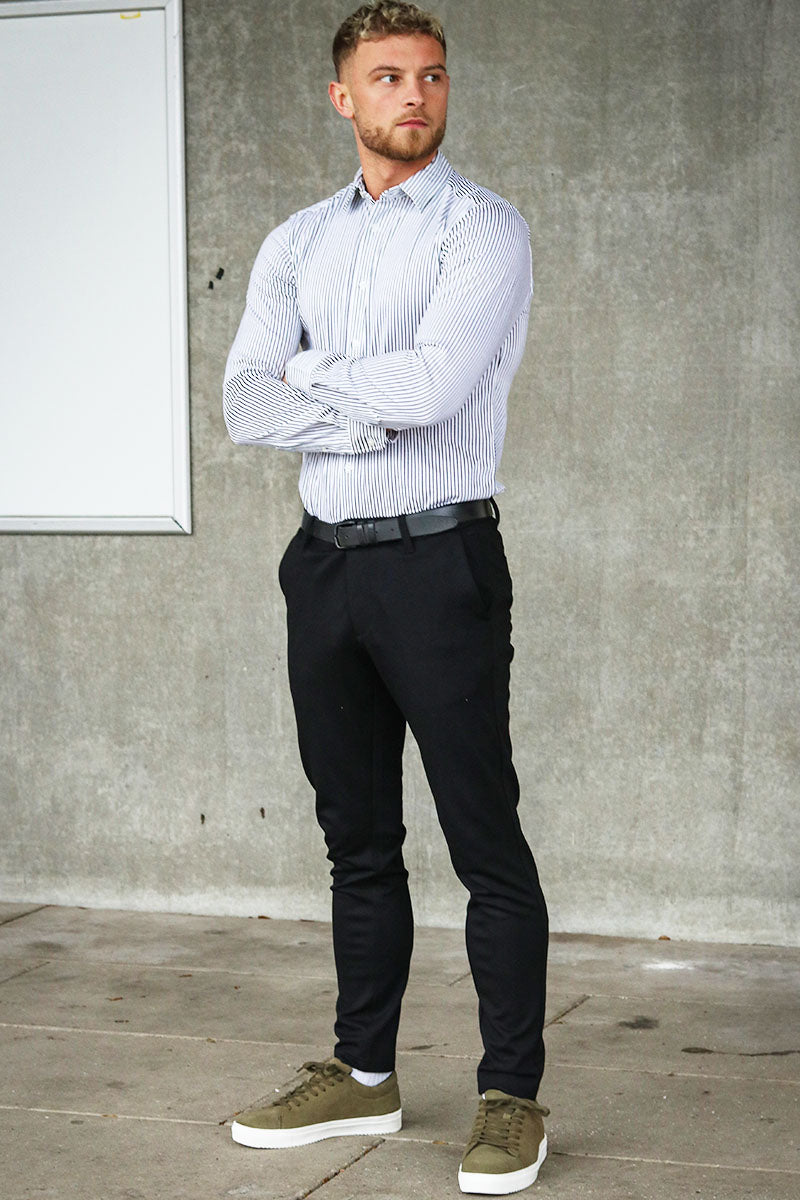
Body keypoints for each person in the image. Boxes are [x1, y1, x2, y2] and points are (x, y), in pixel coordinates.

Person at [222, 2, 549, 1193]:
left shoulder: (482, 229)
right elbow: (244, 402)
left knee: (482, 840)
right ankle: (363, 1072)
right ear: (343, 98)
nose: (414, 95)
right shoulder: (296, 241)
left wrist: (312, 375)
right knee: (354, 840)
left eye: (432, 76)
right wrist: (356, 399)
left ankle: (510, 1095)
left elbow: (435, 389)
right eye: (389, 78)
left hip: (437, 560)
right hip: (324, 566)